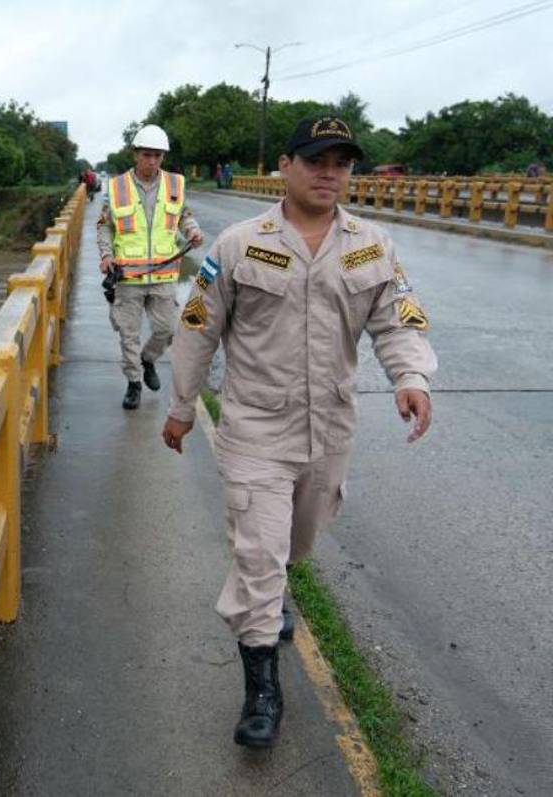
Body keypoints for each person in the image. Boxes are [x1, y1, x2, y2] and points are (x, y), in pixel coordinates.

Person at [161, 116, 437, 748]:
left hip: (330, 427)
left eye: (341, 162)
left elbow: (399, 320)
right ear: (285, 165)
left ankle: (273, 593)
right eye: (316, 160)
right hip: (256, 426)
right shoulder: (236, 245)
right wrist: (181, 407)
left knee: (295, 542)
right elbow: (197, 326)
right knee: (258, 553)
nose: (329, 172)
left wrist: (411, 377)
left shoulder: (371, 246)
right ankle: (263, 688)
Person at [97, 123, 205, 410]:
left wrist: (192, 230)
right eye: (147, 155)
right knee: (128, 334)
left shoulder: (175, 184)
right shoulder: (117, 187)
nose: (152, 161)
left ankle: (148, 360)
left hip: (163, 275)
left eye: (158, 156)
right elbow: (105, 226)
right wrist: (106, 255)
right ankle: (133, 383)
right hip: (128, 277)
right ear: (135, 155)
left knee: (166, 329)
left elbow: (184, 215)